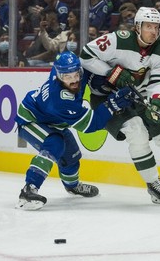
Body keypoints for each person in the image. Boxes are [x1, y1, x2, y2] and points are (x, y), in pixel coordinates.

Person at [80, 7, 160, 205]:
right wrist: (110, 72)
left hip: (137, 96)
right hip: (106, 98)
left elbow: (159, 81)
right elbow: (85, 56)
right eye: (148, 26)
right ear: (137, 27)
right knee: (136, 131)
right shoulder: (116, 40)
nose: (153, 32)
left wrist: (157, 101)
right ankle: (153, 183)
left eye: (156, 27)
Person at [14, 51, 134, 210]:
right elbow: (92, 124)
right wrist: (113, 104)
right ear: (58, 76)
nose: (74, 80)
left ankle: (72, 186)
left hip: (54, 121)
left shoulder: (73, 69)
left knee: (72, 155)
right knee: (55, 144)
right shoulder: (60, 100)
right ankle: (28, 191)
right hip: (31, 120)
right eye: (67, 77)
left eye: (75, 75)